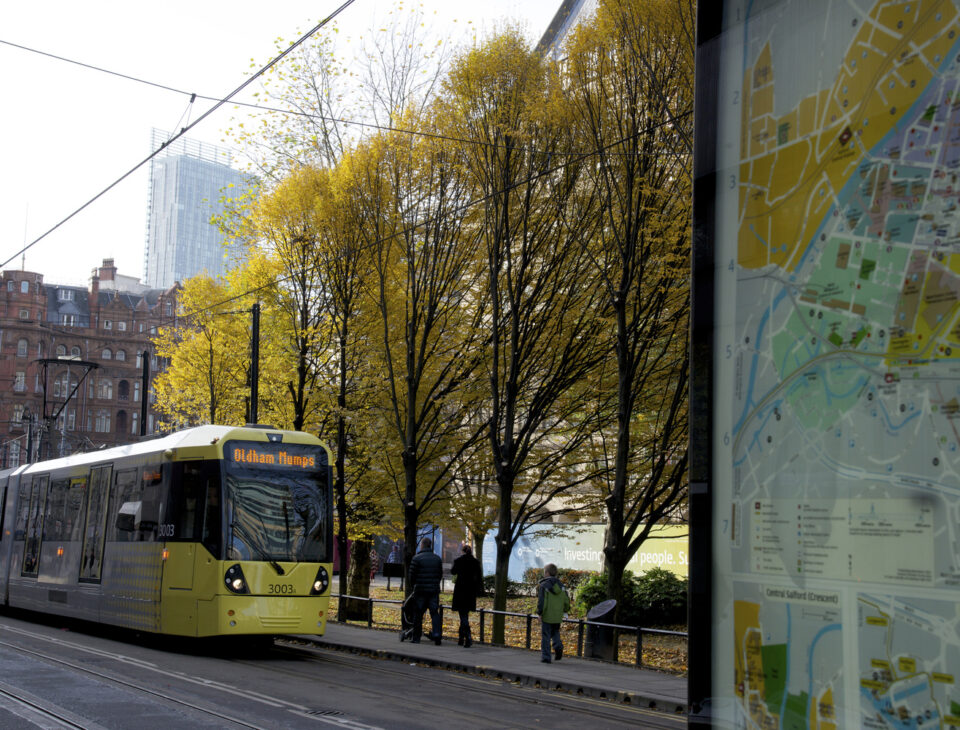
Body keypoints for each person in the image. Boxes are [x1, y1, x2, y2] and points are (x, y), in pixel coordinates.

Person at [407, 537, 443, 645]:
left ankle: (416, 637)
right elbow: (439, 574)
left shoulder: (416, 558)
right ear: (430, 545)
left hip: (420, 590)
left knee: (418, 613)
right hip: (433, 590)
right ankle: (437, 634)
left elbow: (411, 576)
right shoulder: (437, 559)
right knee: (434, 613)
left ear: (422, 545)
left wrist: (414, 586)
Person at [536, 563, 570, 663]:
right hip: (557, 615)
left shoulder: (543, 585)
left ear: (547, 573)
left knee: (546, 636)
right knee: (555, 633)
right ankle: (558, 646)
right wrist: (565, 610)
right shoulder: (561, 586)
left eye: (544, 572)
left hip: (547, 615)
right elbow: (566, 601)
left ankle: (546, 657)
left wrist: (540, 613)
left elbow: (542, 601)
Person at [450, 544, 483, 647]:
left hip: (460, 591)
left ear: (462, 551)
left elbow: (453, 571)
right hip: (470, 592)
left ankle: (468, 637)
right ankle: (461, 638)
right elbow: (479, 577)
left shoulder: (458, 561)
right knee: (464, 615)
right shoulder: (475, 562)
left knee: (463, 615)